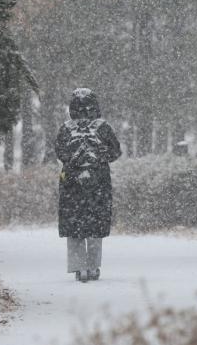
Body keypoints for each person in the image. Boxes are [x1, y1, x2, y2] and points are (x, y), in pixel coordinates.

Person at [55, 88, 121, 282]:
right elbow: (115, 152)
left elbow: (60, 153)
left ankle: (78, 268)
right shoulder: (103, 127)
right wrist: (99, 158)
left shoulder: (66, 128)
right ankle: (93, 267)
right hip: (98, 182)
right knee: (95, 225)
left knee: (75, 225)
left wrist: (75, 160)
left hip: (72, 183)